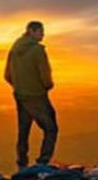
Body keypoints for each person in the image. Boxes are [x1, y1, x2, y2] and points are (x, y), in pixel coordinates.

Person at [3, 20, 58, 170]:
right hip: (37, 95)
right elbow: (45, 74)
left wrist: (19, 86)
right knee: (51, 128)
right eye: (40, 31)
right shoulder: (38, 50)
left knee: (24, 130)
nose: (43, 35)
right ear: (31, 31)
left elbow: (7, 75)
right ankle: (43, 162)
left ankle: (22, 164)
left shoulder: (14, 50)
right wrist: (47, 86)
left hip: (20, 95)